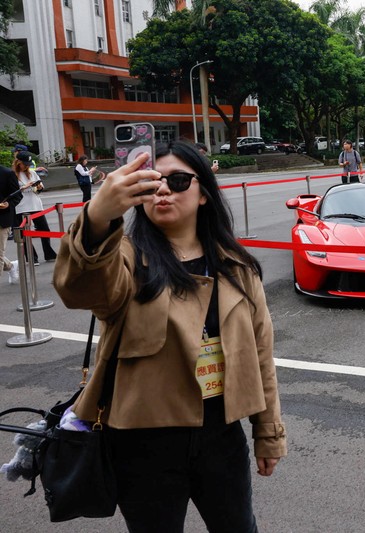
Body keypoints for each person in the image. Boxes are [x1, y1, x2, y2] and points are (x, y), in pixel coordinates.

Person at [52, 140, 287, 532]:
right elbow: (81, 290)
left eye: (178, 180)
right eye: (153, 181)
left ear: (204, 195)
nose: (163, 189)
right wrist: (97, 218)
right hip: (142, 443)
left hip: (222, 438)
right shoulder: (122, 258)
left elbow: (262, 355)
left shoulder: (237, 267)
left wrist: (268, 434)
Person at [14, 151, 57, 265]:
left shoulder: (32, 173)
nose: (27, 166)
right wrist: (24, 187)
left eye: (28, 164)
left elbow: (39, 190)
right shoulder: (13, 175)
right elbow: (11, 192)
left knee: (45, 230)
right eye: (25, 164)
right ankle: (32, 257)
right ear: (18, 162)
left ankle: (49, 254)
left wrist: (38, 187)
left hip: (36, 204)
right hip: (21, 207)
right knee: (24, 233)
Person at [0, 163, 21, 282]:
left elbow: (17, 196)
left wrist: (8, 204)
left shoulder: (7, 173)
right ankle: (11, 266)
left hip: (2, 218)